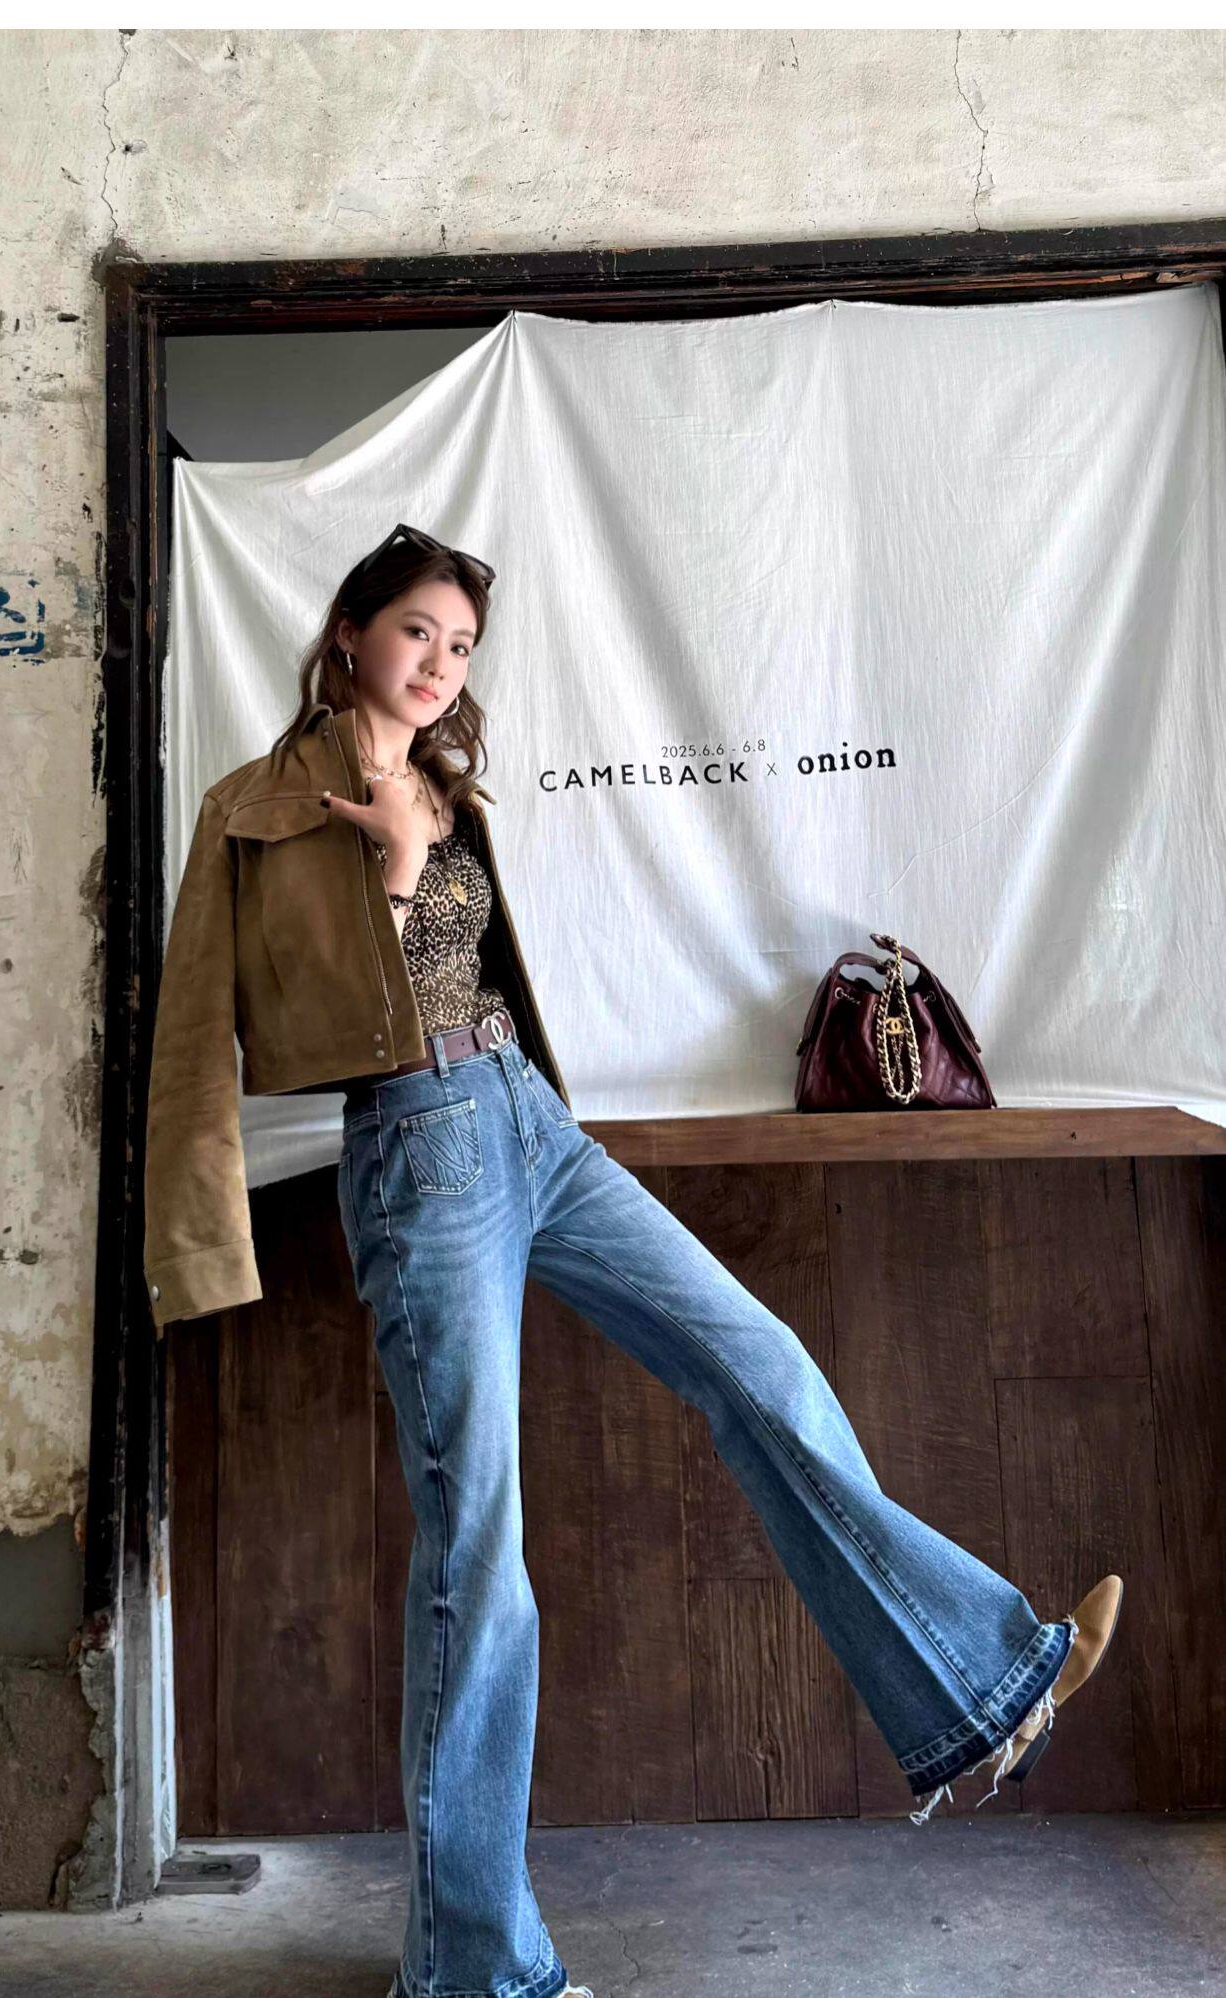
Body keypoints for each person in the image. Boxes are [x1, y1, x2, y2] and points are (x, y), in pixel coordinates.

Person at [151, 523, 1124, 1998]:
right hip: (419, 1154)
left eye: (462, 645)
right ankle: (473, 1968)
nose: (440, 663)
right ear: (349, 630)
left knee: (759, 1365)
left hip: (531, 1124)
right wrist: (395, 878)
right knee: (477, 1552)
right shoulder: (257, 808)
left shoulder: (446, 784)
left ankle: (979, 1681)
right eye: (417, 631)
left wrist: (427, 843)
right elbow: (204, 1042)